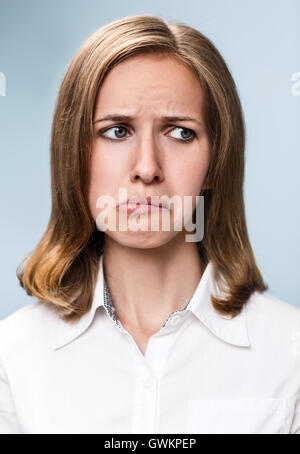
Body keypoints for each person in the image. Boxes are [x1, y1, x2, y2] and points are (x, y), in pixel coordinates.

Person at [0, 14, 299, 435]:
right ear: (75, 156)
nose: (147, 168)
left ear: (216, 161)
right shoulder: (12, 355)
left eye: (179, 133)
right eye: (117, 131)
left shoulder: (291, 352)